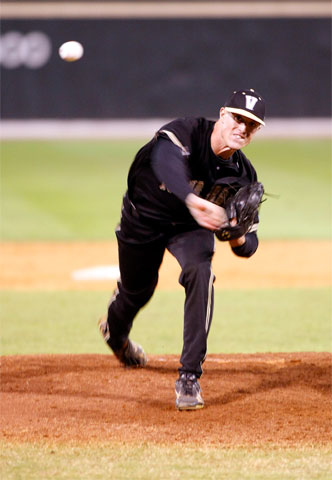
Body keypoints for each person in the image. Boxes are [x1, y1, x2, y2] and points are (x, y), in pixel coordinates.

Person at [99, 88, 265, 411]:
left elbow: (248, 247)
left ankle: (189, 376)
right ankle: (115, 335)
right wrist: (193, 201)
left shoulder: (242, 176)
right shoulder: (185, 132)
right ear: (222, 114)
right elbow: (165, 163)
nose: (242, 128)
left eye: (252, 124)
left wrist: (236, 235)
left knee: (200, 271)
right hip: (144, 216)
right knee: (137, 291)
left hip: (190, 228)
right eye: (238, 118)